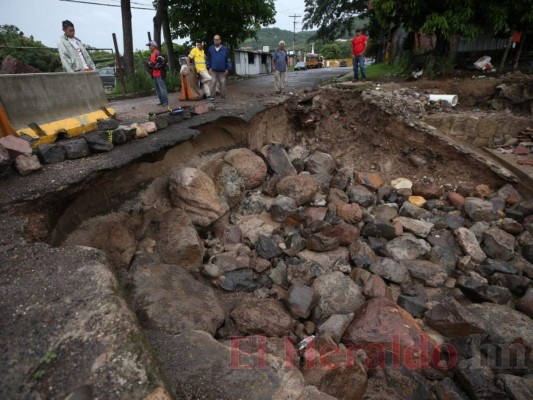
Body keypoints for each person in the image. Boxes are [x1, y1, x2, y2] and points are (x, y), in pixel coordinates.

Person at [206, 34, 231, 102]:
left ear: (220, 40)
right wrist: (209, 67)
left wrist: (227, 69)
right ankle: (212, 98)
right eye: (214, 39)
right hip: (213, 70)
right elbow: (208, 59)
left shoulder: (225, 49)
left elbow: (228, 60)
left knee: (222, 85)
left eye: (217, 40)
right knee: (212, 84)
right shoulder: (211, 49)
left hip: (222, 71)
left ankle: (223, 98)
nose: (215, 41)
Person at [146, 40, 168, 107]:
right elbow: (151, 64)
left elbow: (162, 63)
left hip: (159, 74)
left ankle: (165, 102)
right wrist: (149, 66)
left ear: (154, 46)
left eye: (150, 46)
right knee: (158, 89)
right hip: (155, 74)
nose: (149, 47)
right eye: (149, 46)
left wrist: (151, 64)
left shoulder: (158, 53)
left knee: (162, 88)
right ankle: (161, 101)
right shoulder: (152, 54)